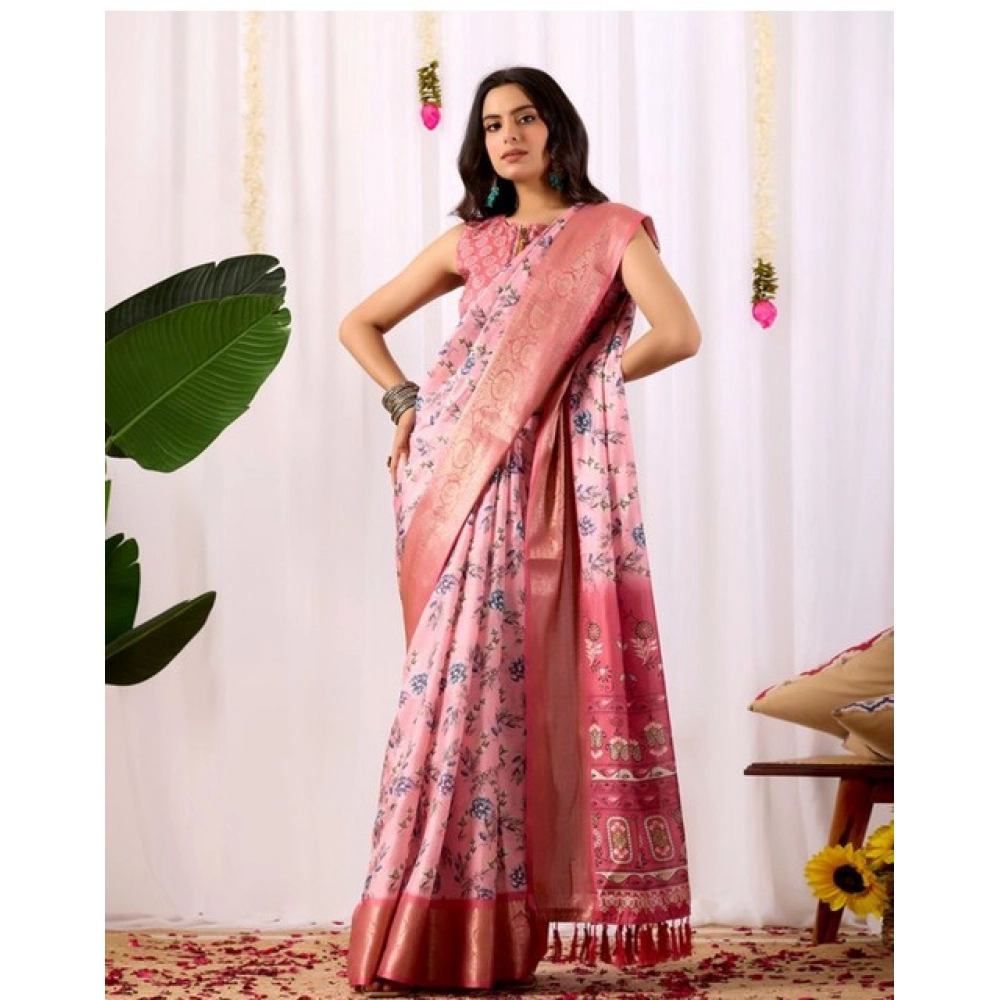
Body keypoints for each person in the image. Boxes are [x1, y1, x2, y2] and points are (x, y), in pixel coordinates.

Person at [339, 66, 702, 996]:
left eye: (526, 117)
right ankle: (418, 916)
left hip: (534, 480)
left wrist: (577, 381)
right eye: (493, 123)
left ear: (556, 130)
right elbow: (360, 324)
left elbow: (678, 332)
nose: (508, 135)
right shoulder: (472, 242)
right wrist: (405, 403)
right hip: (452, 475)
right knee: (442, 689)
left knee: (496, 690)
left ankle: (487, 930)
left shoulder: (609, 231)